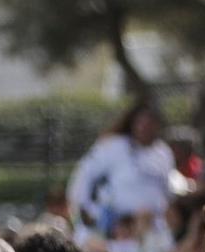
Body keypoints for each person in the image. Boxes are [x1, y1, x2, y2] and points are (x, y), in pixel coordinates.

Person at [66, 100, 176, 241]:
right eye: (141, 123)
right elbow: (83, 178)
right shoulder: (113, 146)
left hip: (150, 231)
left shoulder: (164, 152)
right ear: (133, 123)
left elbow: (167, 192)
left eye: (151, 124)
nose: (145, 128)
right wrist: (85, 214)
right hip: (115, 228)